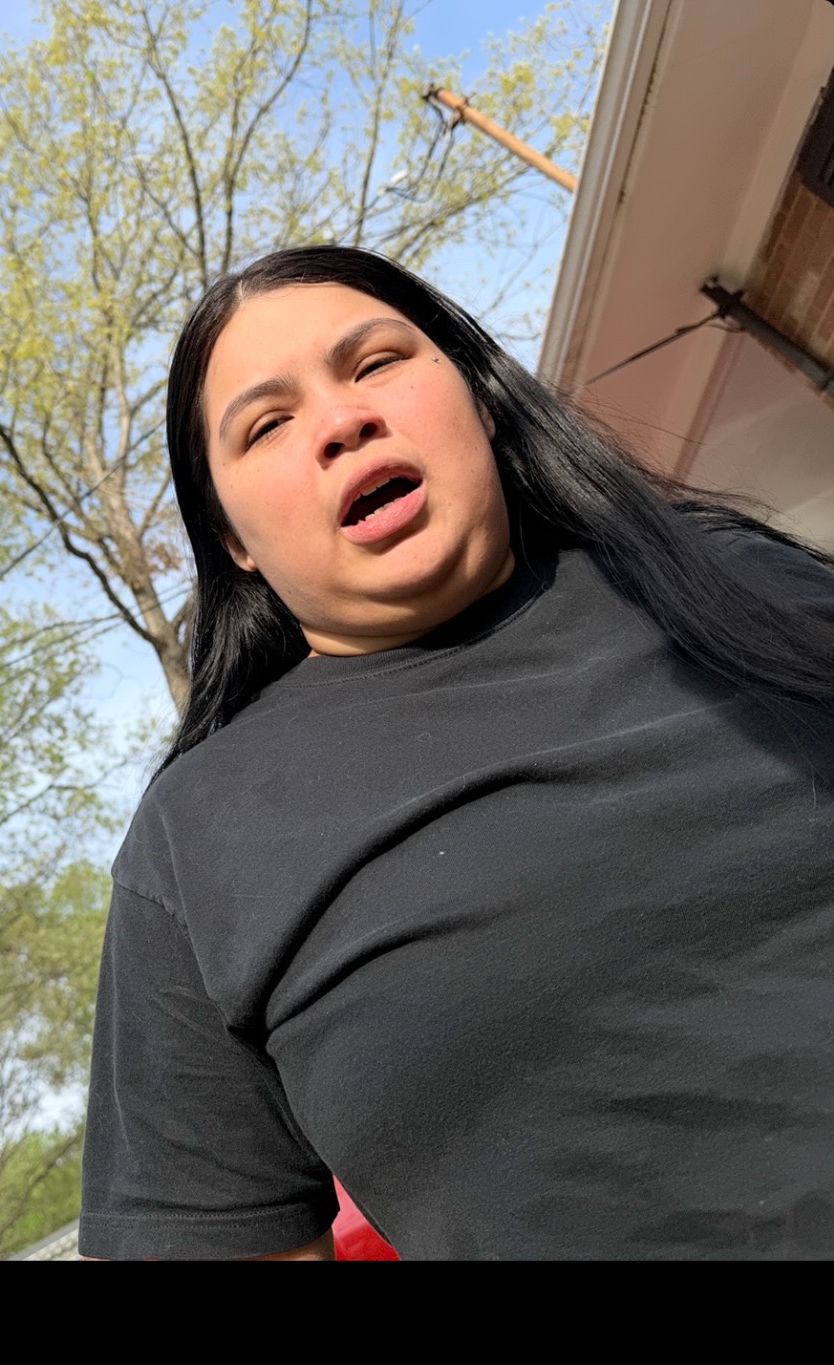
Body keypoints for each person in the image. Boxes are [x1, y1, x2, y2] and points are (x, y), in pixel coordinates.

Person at [78, 244, 834, 1261]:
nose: (341, 421)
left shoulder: (735, 577)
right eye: (267, 424)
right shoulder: (195, 844)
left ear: (478, 395)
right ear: (234, 541)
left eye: (376, 363)